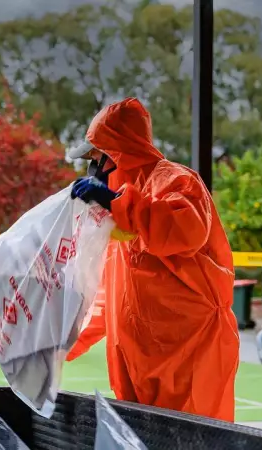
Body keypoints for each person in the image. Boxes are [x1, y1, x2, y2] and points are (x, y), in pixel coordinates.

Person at [66, 97, 239, 422]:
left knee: (191, 442)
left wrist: (117, 203)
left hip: (189, 360)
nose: (93, 167)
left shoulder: (176, 182)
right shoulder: (121, 213)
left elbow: (184, 230)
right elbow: (109, 295)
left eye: (97, 157)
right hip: (140, 363)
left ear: (117, 154)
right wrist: (67, 341)